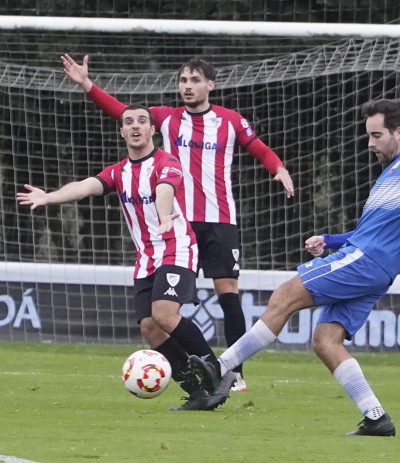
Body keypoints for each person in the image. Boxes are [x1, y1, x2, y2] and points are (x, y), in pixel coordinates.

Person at [189, 99, 400, 435]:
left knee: (285, 297)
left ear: (399, 131)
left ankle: (221, 367)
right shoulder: (393, 173)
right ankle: (377, 417)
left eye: (376, 135)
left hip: (365, 262)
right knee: (326, 341)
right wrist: (331, 240)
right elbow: (368, 232)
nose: (370, 143)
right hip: (371, 264)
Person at [60, 55, 295, 392]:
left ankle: (236, 372)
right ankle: (197, 372)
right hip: (176, 223)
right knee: (163, 311)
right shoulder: (165, 118)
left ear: (210, 85)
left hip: (219, 219)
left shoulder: (230, 121)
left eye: (195, 80)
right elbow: (122, 113)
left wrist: (279, 168)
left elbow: (256, 147)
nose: (187, 86)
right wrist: (87, 85)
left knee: (227, 292)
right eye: (183, 80)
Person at [17, 105, 222, 411]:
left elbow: (165, 188)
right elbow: (84, 186)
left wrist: (164, 215)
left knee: (164, 314)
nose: (135, 126)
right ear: (122, 132)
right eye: (129, 122)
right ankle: (197, 393)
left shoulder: (167, 162)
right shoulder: (118, 172)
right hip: (146, 257)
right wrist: (49, 196)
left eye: (142, 121)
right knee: (150, 327)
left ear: (152, 129)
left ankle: (217, 372)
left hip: (176, 247)